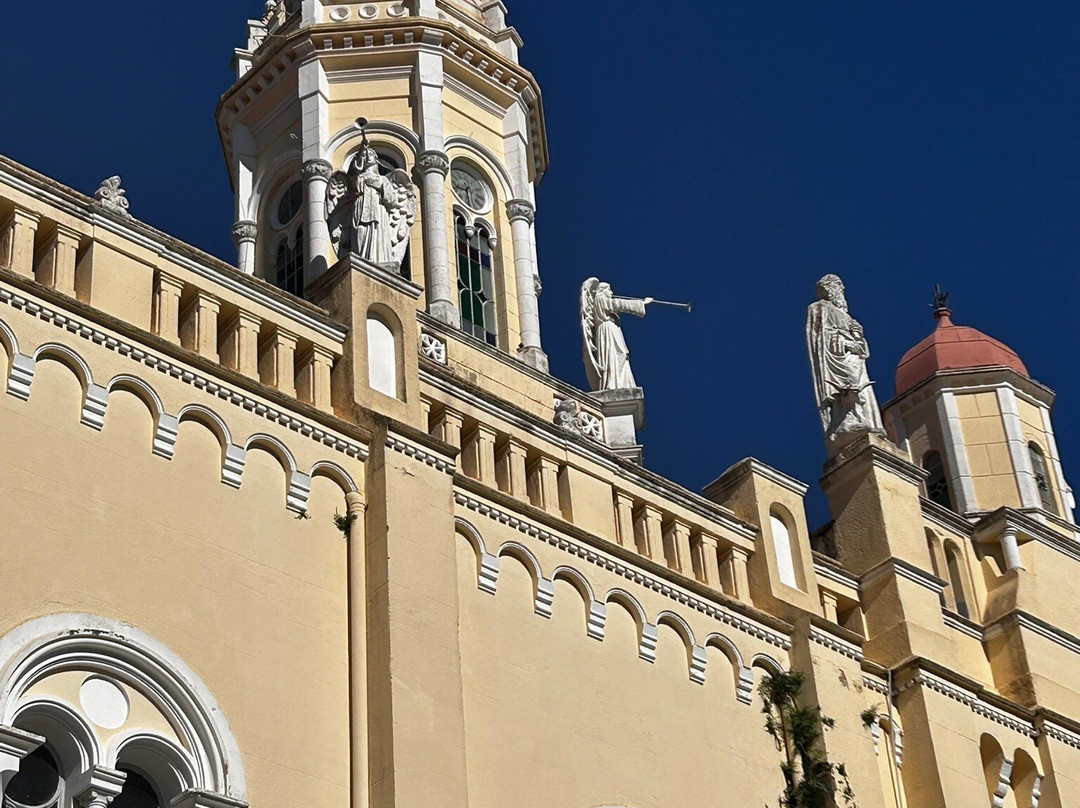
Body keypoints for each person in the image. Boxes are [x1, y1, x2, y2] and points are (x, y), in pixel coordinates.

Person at [581, 278, 653, 392]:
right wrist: (642, 303)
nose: (612, 293)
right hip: (608, 331)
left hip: (610, 330)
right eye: (609, 290)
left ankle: (620, 383)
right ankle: (613, 384)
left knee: (620, 355)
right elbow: (617, 304)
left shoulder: (601, 301)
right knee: (616, 355)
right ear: (602, 291)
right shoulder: (600, 299)